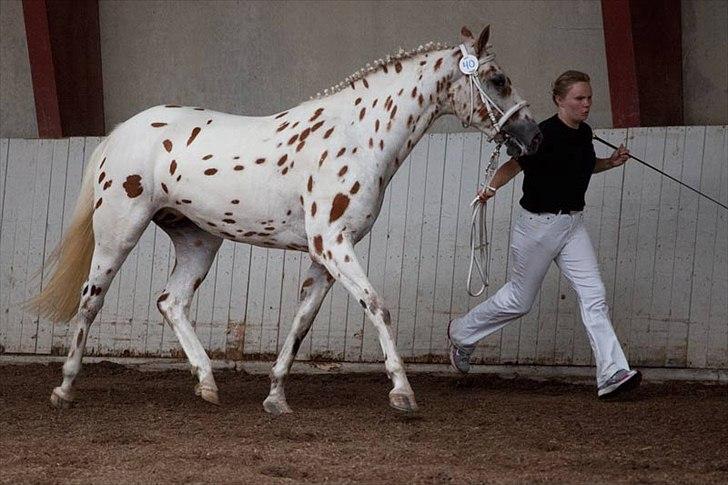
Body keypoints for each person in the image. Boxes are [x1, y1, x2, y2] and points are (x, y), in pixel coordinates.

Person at [448, 70, 641, 398]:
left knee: (594, 294)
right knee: (519, 300)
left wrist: (610, 162)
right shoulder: (540, 134)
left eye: (589, 98)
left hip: (572, 226)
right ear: (559, 101)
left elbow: (583, 165)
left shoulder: (585, 133)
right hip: (536, 227)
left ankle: (612, 373)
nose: (586, 104)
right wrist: (488, 189)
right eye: (579, 99)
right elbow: (513, 166)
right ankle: (461, 334)